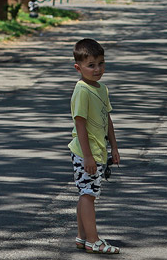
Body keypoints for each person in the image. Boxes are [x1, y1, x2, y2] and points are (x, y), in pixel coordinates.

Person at [69, 38, 121, 254]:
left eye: (101, 63)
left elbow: (107, 118)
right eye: (91, 65)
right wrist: (88, 157)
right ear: (78, 67)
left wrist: (114, 148)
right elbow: (80, 125)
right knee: (89, 195)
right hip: (85, 152)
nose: (97, 69)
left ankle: (82, 237)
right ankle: (93, 240)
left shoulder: (101, 88)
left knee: (86, 193)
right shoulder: (82, 90)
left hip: (98, 151)